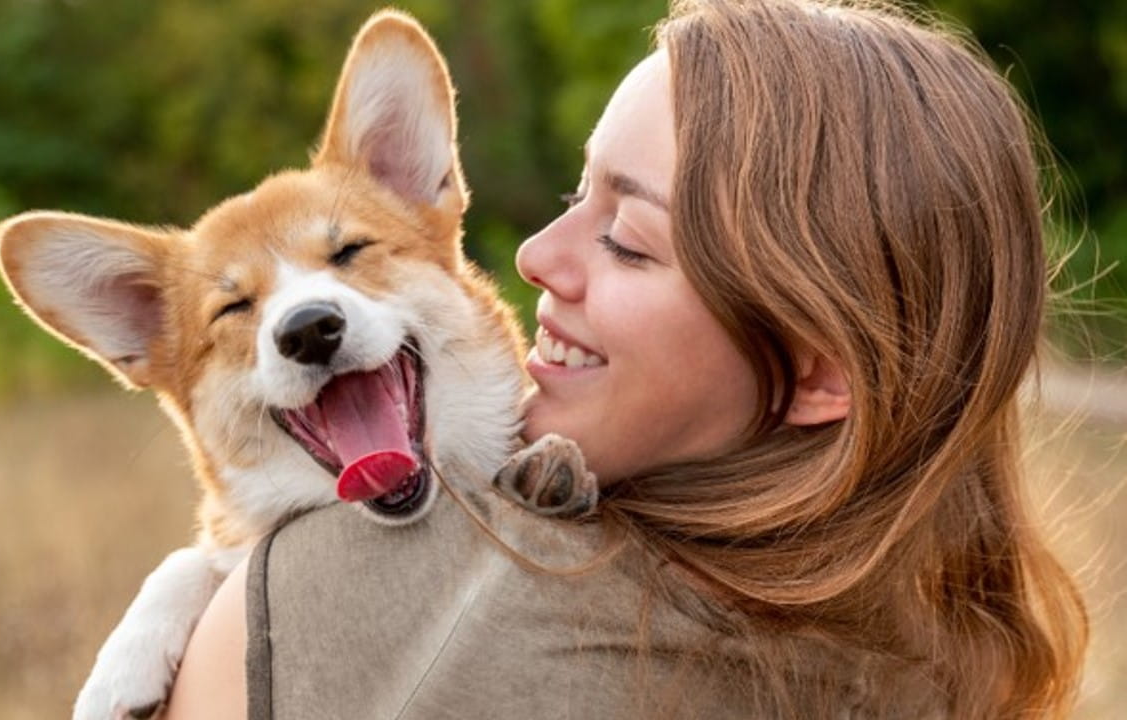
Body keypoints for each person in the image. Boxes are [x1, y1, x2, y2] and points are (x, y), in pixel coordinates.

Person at [163, 1, 1088, 717]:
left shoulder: (360, 591)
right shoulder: (944, 663)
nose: (531, 258)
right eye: (576, 192)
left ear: (818, 372)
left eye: (630, 241)